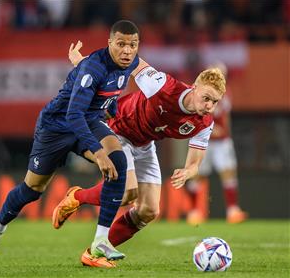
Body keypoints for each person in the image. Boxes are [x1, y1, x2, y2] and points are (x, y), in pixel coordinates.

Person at [0, 20, 140, 265]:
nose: (127, 51)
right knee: (32, 190)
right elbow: (73, 114)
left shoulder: (131, 64)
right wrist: (98, 153)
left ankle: (100, 241)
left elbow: (111, 91)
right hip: (57, 126)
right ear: (109, 43)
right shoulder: (93, 67)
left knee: (117, 159)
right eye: (121, 44)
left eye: (132, 45)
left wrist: (112, 109)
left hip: (89, 120)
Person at [52, 41, 226, 267]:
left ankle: (93, 254)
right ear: (194, 87)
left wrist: (188, 171)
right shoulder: (162, 85)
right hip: (118, 131)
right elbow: (127, 60)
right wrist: (84, 63)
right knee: (127, 193)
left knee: (148, 211)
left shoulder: (205, 122)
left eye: (215, 102)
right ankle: (77, 197)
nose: (210, 105)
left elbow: (195, 163)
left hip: (144, 143)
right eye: (207, 98)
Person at [186, 63, 248, 225]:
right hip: (203, 140)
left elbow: (225, 118)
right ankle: (194, 211)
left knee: (228, 173)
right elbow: (194, 115)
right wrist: (211, 130)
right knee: (197, 175)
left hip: (222, 142)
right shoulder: (199, 92)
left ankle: (232, 211)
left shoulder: (225, 95)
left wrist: (227, 134)